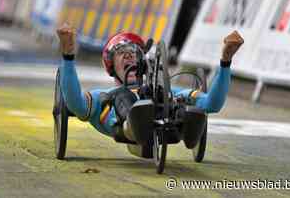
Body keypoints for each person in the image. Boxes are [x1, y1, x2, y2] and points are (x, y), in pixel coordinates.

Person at [56, 23, 244, 150]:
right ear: (111, 65)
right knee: (123, 97)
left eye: (133, 52)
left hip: (168, 128)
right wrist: (68, 56)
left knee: (183, 102)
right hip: (122, 126)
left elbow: (212, 104)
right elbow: (76, 105)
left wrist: (225, 62)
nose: (129, 55)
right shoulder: (102, 96)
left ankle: (186, 125)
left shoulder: (169, 91)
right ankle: (131, 123)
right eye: (122, 53)